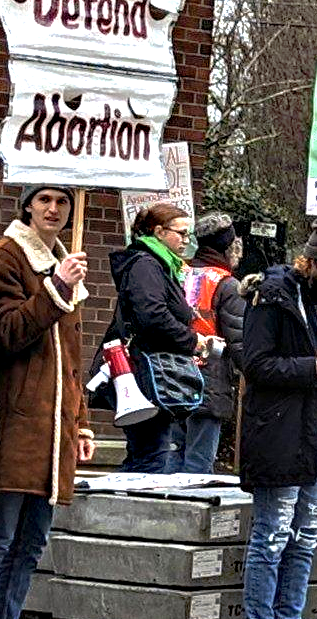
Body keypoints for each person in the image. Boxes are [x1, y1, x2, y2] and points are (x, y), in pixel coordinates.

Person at [0, 186, 94, 619]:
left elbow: (70, 356)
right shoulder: (5, 256)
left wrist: (81, 421)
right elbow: (8, 333)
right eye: (44, 200)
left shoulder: (61, 262)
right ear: (27, 206)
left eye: (62, 201)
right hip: (17, 425)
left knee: (32, 543)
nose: (54, 209)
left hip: (54, 429)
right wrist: (55, 288)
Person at [236, 218, 317, 619]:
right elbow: (255, 364)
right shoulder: (272, 296)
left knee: (306, 536)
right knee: (273, 535)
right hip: (282, 430)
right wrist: (313, 367)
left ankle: (289, 613)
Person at [109, 203, 202, 473]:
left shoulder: (160, 265)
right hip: (146, 372)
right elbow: (153, 316)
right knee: (150, 455)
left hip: (152, 371)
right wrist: (192, 340)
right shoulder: (147, 265)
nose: (186, 240)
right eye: (181, 233)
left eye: (189, 235)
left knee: (148, 452)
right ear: (159, 232)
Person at [180, 212, 247, 473]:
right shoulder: (227, 284)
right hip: (209, 379)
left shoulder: (180, 272)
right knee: (198, 465)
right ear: (231, 248)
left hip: (171, 374)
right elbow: (238, 339)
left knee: (172, 456)